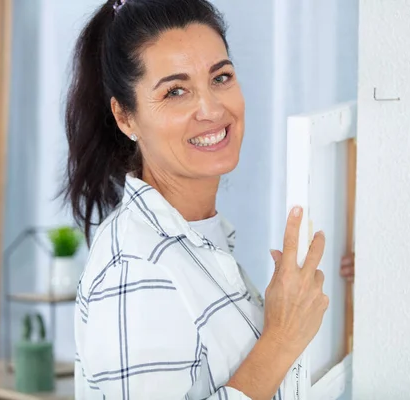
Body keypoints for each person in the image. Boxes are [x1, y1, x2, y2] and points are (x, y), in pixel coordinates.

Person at [63, 1, 329, 399]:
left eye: (220, 78)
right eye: (175, 91)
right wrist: (280, 339)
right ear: (125, 117)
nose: (211, 109)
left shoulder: (195, 240)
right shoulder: (135, 269)